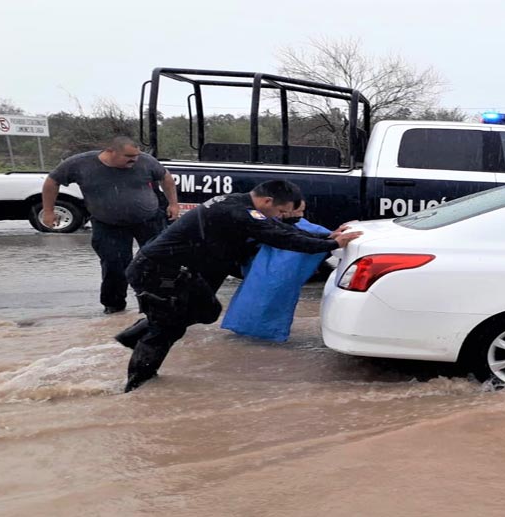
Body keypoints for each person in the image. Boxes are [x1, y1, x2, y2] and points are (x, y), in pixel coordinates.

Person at [115, 180, 361, 393]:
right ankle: (137, 387)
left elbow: (279, 229)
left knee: (207, 311)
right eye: (281, 211)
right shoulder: (241, 213)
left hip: (175, 271)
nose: (280, 216)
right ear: (267, 201)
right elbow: (281, 237)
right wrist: (329, 245)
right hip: (156, 271)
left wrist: (327, 237)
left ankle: (132, 337)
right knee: (166, 329)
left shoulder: (240, 203)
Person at [43, 136, 181, 314]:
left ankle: (157, 305)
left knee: (157, 262)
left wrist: (173, 204)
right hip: (108, 223)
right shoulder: (80, 164)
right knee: (114, 265)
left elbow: (166, 178)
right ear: (110, 151)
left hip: (149, 219)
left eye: (136, 155)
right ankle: (114, 308)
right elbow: (52, 181)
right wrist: (48, 211)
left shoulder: (146, 161)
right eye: (128, 156)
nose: (134, 159)